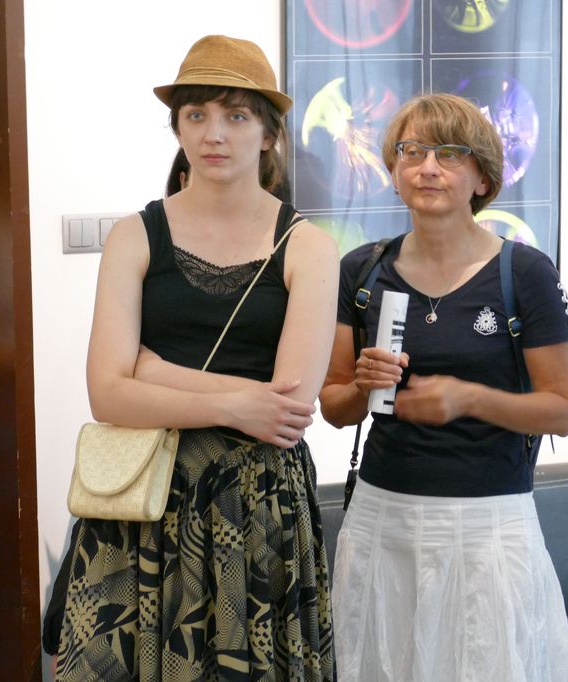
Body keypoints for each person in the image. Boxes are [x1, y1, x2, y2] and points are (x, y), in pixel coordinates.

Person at [54, 35, 338, 680]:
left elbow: (286, 411)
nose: (215, 134)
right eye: (196, 115)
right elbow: (107, 395)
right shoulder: (135, 235)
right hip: (145, 496)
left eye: (236, 115)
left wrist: (151, 372)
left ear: (268, 134)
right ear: (178, 128)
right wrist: (235, 403)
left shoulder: (307, 245)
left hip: (255, 501)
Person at [319, 93, 568, 681]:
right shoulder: (361, 272)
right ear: (394, 171)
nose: (427, 167)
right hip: (384, 521)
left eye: (449, 154)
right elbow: (334, 406)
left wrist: (469, 398)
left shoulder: (524, 273)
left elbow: (562, 410)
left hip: (490, 528)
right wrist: (363, 386)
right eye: (411, 152)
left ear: (482, 177)